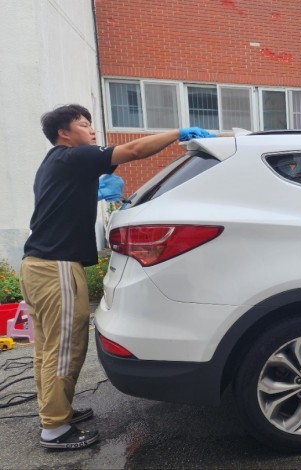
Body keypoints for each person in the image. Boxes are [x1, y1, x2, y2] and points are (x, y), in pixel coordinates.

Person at [19, 104, 214, 450]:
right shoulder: (73, 156)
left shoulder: (56, 162)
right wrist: (178, 134)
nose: (92, 130)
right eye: (84, 124)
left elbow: (93, 176)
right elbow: (134, 151)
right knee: (65, 347)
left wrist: (95, 192)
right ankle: (55, 428)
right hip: (55, 267)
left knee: (48, 348)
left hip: (37, 265)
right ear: (64, 133)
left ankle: (55, 411)